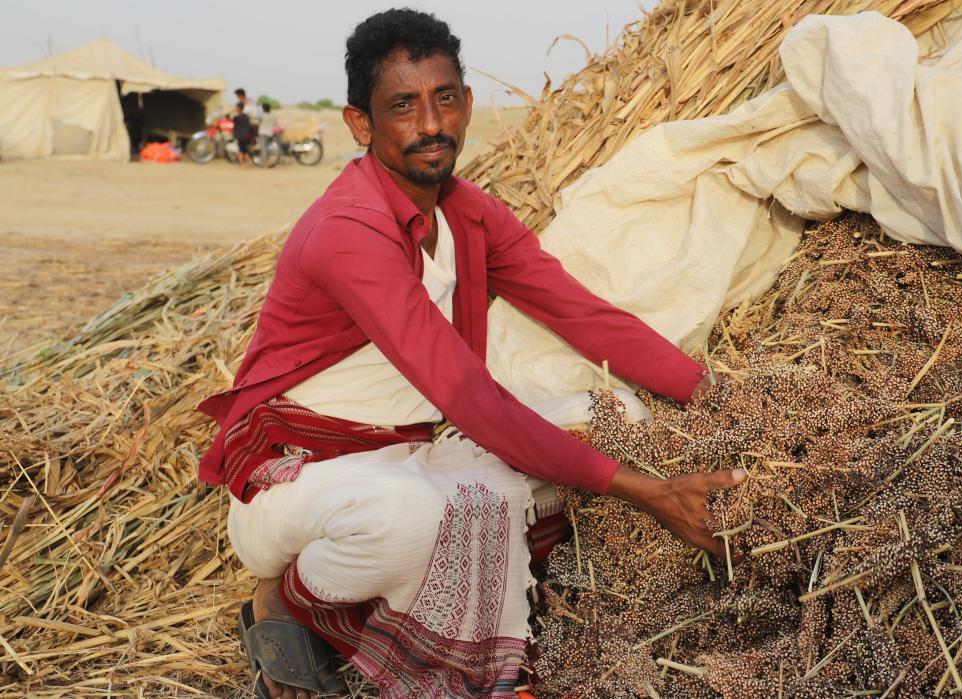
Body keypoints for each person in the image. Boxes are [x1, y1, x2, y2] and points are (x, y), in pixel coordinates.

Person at [197, 8, 745, 698]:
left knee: (614, 415)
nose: (432, 124)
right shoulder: (349, 230)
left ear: (467, 103)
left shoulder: (470, 213)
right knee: (411, 521)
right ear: (360, 125)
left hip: (414, 450)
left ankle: (404, 599)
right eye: (403, 105)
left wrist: (721, 396)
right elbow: (468, 395)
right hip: (303, 475)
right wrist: (649, 492)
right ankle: (288, 603)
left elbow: (585, 318)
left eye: (445, 97)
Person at [232, 102, 253, 168]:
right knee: (246, 150)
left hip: (240, 136)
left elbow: (231, 121)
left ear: (238, 108)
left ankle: (241, 164)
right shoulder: (246, 117)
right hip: (246, 136)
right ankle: (247, 164)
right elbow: (249, 126)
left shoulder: (236, 117)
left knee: (241, 150)